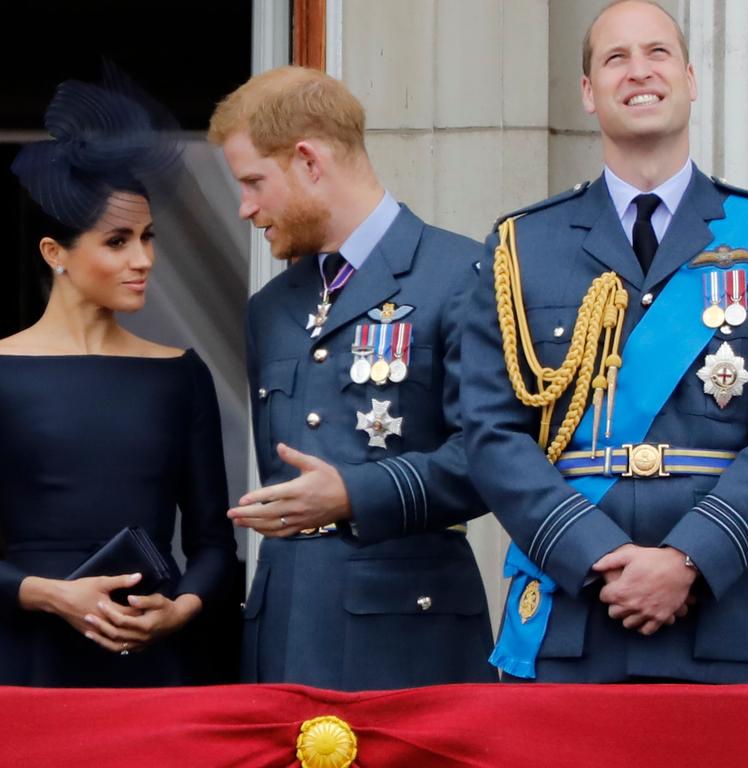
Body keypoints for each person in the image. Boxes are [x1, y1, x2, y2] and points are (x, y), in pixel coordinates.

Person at [461, 0, 748, 683]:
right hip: (573, 615)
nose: (640, 72)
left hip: (726, 617)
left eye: (658, 53)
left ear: (689, 78)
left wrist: (688, 559)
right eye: (615, 58)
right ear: (588, 93)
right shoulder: (522, 246)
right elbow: (490, 432)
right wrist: (597, 557)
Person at [208, 66, 496, 691]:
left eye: (255, 181)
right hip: (283, 627)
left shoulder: (462, 273)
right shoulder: (270, 308)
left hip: (408, 635)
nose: (245, 207)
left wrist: (354, 494)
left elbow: (492, 457)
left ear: (308, 161)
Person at [0, 77, 238, 687]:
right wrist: (48, 594)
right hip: (25, 661)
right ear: (56, 252)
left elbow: (213, 544)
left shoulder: (180, 374)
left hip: (150, 662)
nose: (145, 260)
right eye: (118, 241)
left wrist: (179, 610)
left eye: (148, 237)